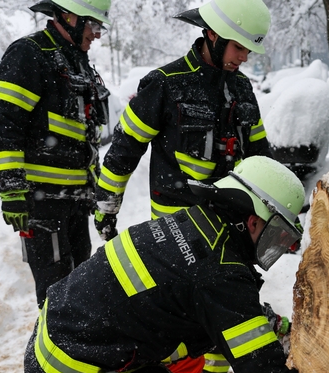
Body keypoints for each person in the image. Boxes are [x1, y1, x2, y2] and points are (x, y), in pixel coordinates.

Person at [24, 156, 329, 373]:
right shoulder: (220, 273)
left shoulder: (195, 225)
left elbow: (213, 308)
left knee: (192, 354)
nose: (277, 245)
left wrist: (276, 327)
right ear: (254, 220)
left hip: (64, 338)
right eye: (278, 235)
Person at [94, 0, 273, 240]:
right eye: (238, 47)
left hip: (233, 229)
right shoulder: (165, 84)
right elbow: (124, 149)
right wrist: (107, 209)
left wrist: (276, 210)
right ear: (212, 33)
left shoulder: (242, 88)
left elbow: (260, 154)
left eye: (248, 50)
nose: (244, 58)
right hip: (177, 232)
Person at [0, 0, 111, 308]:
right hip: (41, 204)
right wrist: (13, 189)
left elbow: (85, 135)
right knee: (56, 297)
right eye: (93, 25)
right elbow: (6, 126)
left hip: (75, 201)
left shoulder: (76, 62)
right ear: (68, 16)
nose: (96, 35)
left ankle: (76, 353)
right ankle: (48, 354)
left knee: (80, 288)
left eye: (99, 28)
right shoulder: (28, 54)